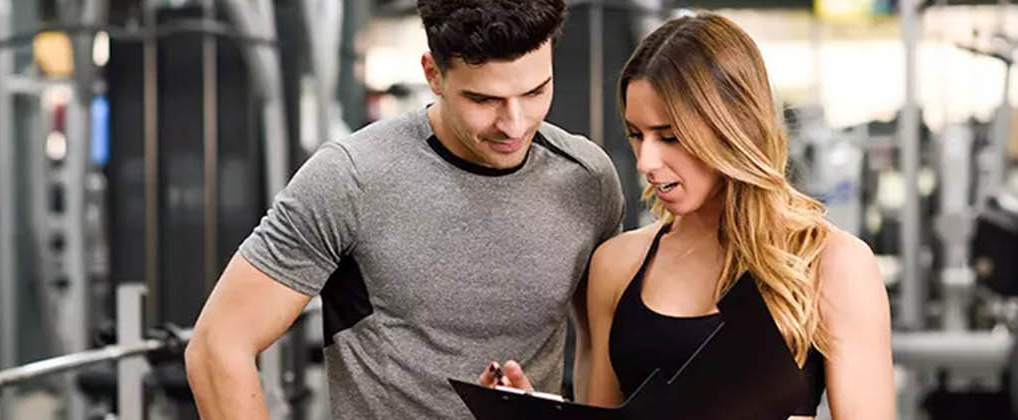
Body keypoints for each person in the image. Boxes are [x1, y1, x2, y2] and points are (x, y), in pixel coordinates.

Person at [184, 0, 625, 418]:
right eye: (483, 100)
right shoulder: (350, 177)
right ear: (433, 75)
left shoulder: (587, 179)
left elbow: (601, 347)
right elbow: (218, 346)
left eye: (535, 91)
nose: (514, 123)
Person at [478, 12, 895, 419]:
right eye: (637, 135)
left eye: (669, 136)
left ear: (733, 127)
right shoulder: (616, 265)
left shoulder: (833, 264)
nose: (646, 161)